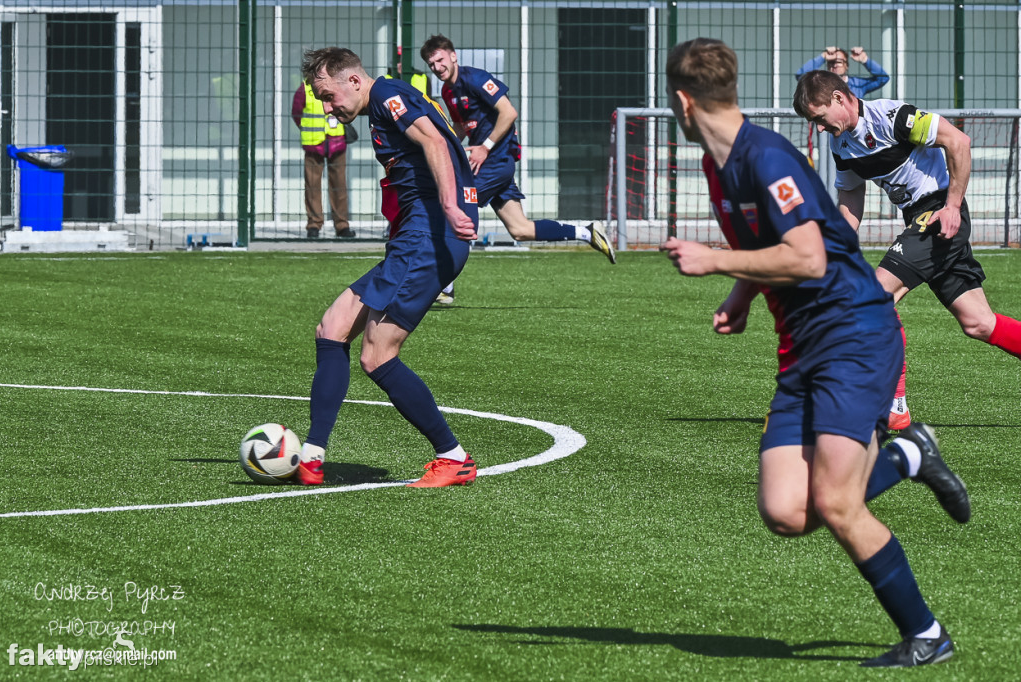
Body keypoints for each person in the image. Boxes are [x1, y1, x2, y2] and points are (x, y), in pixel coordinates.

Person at [663, 37, 969, 668]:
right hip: (800, 345)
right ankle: (910, 454)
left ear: (682, 101)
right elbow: (777, 242)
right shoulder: (717, 164)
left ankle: (927, 635)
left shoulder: (766, 156)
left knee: (835, 502)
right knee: (785, 512)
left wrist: (715, 260)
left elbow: (808, 255)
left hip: (852, 334)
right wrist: (744, 292)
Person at [793, 70, 1021, 429]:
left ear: (839, 99)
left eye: (819, 118)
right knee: (980, 323)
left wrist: (952, 206)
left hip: (938, 215)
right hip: (920, 220)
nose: (819, 129)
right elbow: (851, 196)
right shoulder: (842, 144)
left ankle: (893, 407)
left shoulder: (892, 117)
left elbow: (959, 142)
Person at [296, 46, 479, 488]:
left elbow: (434, 141)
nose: (326, 106)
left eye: (327, 95)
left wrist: (453, 207)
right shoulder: (382, 106)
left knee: (378, 356)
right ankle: (311, 457)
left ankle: (453, 458)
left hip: (430, 236)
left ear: (354, 81)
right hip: (414, 238)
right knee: (332, 327)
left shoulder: (386, 97)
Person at [420, 35, 616, 287]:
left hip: (496, 161)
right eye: (431, 64)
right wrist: (445, 148)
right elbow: (459, 126)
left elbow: (509, 112)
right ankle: (587, 232)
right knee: (520, 229)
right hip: (488, 165)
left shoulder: (476, 78)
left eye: (440, 60)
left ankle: (444, 285)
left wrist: (485, 147)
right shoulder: (448, 90)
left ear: (453, 56)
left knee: (453, 206)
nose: (437, 68)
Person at [291, 81, 355, 239]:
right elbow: (297, 113)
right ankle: (314, 225)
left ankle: (342, 225)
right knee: (312, 186)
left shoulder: (337, 86)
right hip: (314, 143)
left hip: (336, 141)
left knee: (339, 185)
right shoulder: (304, 89)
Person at [795, 46, 888, 99]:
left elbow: (883, 78)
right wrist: (823, 57)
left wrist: (865, 60)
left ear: (846, 65)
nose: (835, 65)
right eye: (831, 62)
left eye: (839, 62)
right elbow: (801, 76)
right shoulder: (821, 84)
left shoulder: (857, 84)